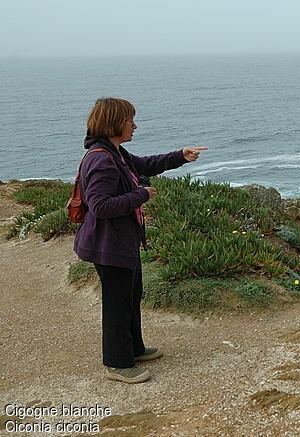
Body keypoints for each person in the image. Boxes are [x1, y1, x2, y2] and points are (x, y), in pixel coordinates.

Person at [73, 97, 207, 383]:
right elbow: (100, 206)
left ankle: (134, 348)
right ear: (114, 123)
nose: (134, 125)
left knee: (130, 298)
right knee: (117, 305)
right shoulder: (102, 160)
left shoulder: (116, 153)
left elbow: (144, 164)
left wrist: (180, 156)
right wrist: (141, 195)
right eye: (129, 120)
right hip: (108, 245)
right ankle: (118, 364)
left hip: (121, 242)